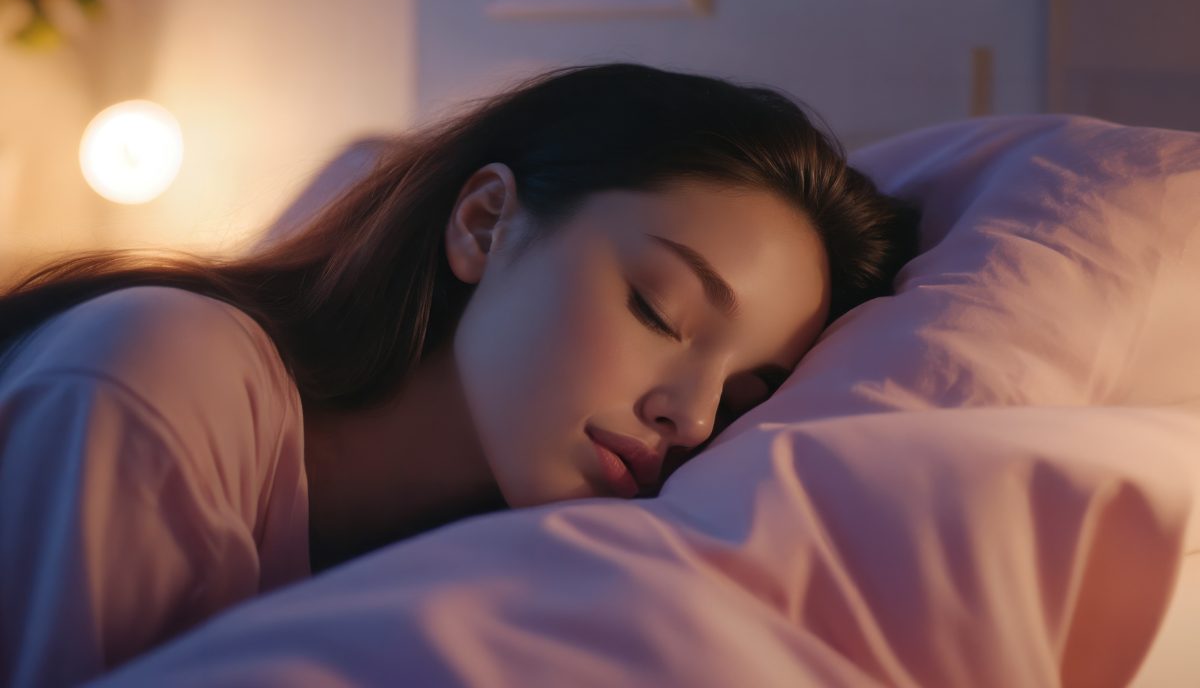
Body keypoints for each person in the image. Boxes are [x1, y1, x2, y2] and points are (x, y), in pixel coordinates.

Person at [0, 62, 920, 686]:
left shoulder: (519, 579)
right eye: (659, 310)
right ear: (484, 223)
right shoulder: (154, 374)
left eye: (745, 394)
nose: (691, 415)